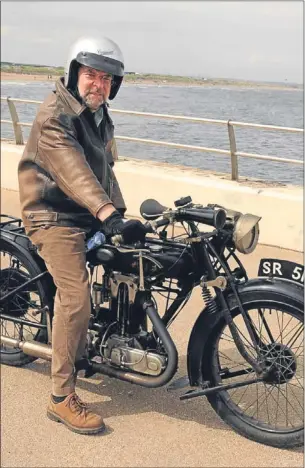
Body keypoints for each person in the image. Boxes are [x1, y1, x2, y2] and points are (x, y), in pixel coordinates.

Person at [18, 36, 147, 435]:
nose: (98, 84)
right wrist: (106, 213)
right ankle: (61, 397)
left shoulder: (99, 114)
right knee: (75, 298)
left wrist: (122, 217)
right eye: (91, 74)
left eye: (107, 79)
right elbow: (72, 170)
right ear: (75, 72)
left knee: (136, 261)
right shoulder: (55, 114)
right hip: (53, 213)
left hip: (86, 212)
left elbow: (104, 172)